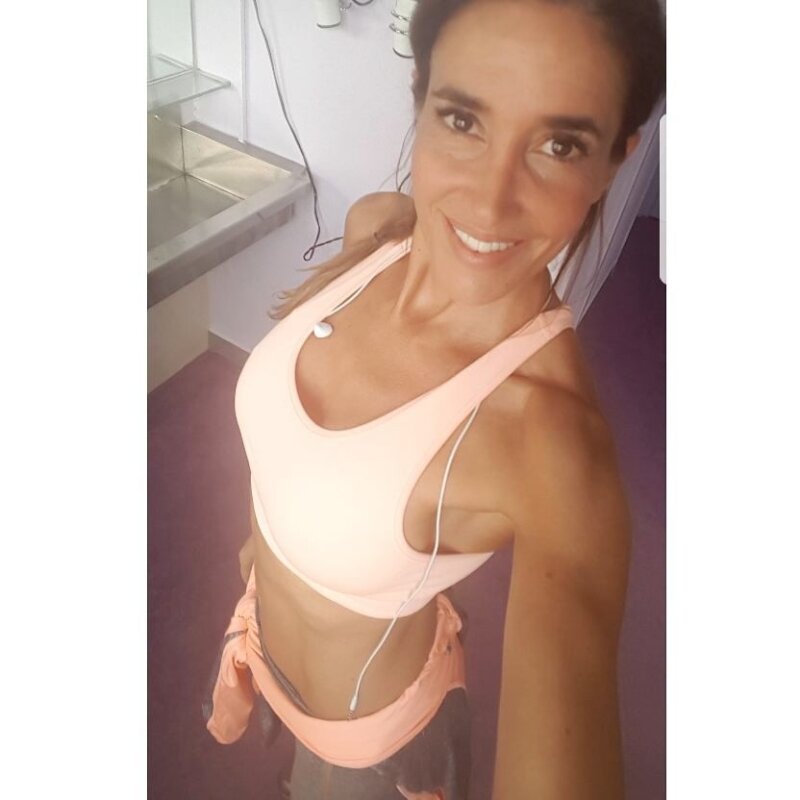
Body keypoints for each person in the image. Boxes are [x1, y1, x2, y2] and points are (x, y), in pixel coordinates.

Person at [203, 0, 666, 797]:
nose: (489, 202)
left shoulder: (551, 441)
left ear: (616, 158)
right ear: (420, 95)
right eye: (463, 119)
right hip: (263, 641)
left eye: (559, 144)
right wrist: (265, 550)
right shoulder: (376, 230)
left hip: (369, 746)